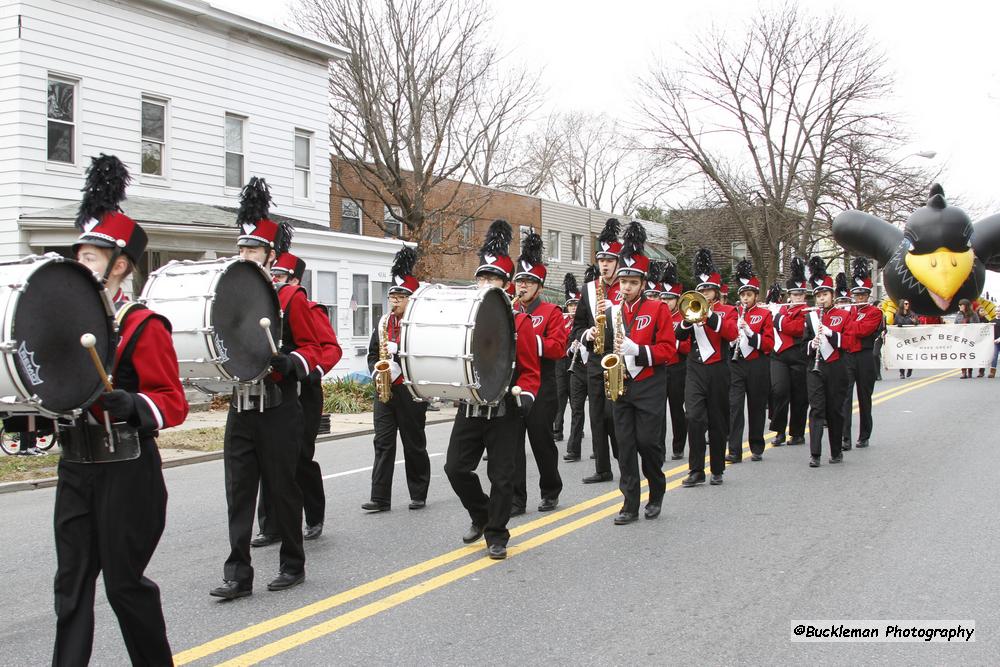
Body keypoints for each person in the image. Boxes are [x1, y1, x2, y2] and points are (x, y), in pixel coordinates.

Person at [53, 155, 188, 665]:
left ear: (121, 266)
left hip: (128, 472)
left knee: (124, 586)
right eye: (79, 255)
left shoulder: (144, 325)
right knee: (70, 587)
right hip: (76, 467)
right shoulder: (63, 327)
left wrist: (132, 402)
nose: (80, 265)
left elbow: (172, 402)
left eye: (90, 258)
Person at [211, 178, 326, 600]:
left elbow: (325, 348)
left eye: (253, 250)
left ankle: (293, 563)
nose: (245, 256)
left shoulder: (292, 299)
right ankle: (238, 574)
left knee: (282, 488)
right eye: (240, 249)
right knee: (238, 493)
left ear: (270, 254)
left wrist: (294, 361)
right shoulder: (229, 298)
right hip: (241, 408)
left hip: (279, 407)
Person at [444, 220, 540, 560]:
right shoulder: (461, 320)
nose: (485, 283)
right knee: (455, 468)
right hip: (470, 405)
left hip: (504, 408)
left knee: (502, 476)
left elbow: (530, 371)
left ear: (506, 285)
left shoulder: (520, 322)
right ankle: (481, 515)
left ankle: (497, 534)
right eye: (481, 277)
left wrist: (526, 394)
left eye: (493, 279)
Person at [253, 251, 342, 544]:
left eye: (280, 276)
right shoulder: (260, 305)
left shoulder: (309, 307)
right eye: (273, 274)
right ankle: (271, 525)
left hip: (304, 391)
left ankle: (314, 516)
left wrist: (312, 369)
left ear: (294, 280)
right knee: (269, 458)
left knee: (300, 457)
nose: (274, 280)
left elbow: (330, 347)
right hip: (271, 390)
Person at [597, 222, 676, 524]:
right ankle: (630, 502)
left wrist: (637, 351)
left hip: (649, 384)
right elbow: (605, 347)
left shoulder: (658, 310)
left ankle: (656, 492)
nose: (626, 287)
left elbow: (668, 351)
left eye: (632, 282)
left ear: (643, 283)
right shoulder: (613, 310)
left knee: (647, 443)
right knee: (625, 447)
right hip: (621, 384)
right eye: (622, 282)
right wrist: (596, 338)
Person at [363, 246, 430, 512]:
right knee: (382, 443)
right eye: (393, 296)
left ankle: (418, 493)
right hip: (385, 391)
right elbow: (371, 355)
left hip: (411, 391)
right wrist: (378, 372)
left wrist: (400, 358)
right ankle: (380, 497)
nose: (395, 301)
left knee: (413, 443)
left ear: (411, 299)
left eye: (401, 296)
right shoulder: (383, 323)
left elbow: (425, 355)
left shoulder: (420, 323)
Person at [511, 230, 566, 515]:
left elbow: (558, 348)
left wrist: (527, 339)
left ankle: (550, 490)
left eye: (529, 281)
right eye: (520, 280)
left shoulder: (551, 312)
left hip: (543, 385)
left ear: (539, 286)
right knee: (513, 445)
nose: (523, 286)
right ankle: (517, 499)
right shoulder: (506, 309)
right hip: (514, 383)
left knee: (541, 441)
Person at [674, 249, 738, 487]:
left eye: (707, 290)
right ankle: (696, 469)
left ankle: (718, 468)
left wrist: (709, 315)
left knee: (717, 420)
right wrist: (688, 319)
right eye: (700, 290)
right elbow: (678, 335)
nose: (703, 294)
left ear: (716, 293)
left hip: (719, 370)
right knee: (694, 417)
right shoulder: (690, 310)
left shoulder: (728, 311)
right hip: (695, 369)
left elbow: (731, 334)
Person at [571, 218, 625, 484]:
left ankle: (623, 459)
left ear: (618, 262)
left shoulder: (628, 286)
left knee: (613, 414)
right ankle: (602, 468)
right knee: (596, 416)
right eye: (601, 259)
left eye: (610, 260)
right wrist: (586, 333)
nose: (604, 264)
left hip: (621, 359)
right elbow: (576, 326)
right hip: (595, 356)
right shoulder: (589, 289)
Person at [726, 259, 774, 463]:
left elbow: (769, 344)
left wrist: (749, 332)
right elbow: (724, 336)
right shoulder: (733, 313)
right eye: (743, 295)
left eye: (749, 295)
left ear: (756, 296)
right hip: (736, 364)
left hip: (757, 364)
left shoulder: (765, 314)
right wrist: (732, 339)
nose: (745, 299)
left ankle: (756, 445)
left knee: (756, 406)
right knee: (735, 406)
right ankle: (734, 450)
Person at [803, 257, 848, 467]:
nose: (821, 299)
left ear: (832, 295)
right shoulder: (810, 318)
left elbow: (849, 342)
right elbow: (802, 346)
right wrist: (812, 344)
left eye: (825, 295)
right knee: (817, 409)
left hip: (837, 366)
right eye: (818, 296)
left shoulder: (843, 315)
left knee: (834, 410)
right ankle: (815, 454)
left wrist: (830, 333)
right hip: (815, 368)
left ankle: (836, 450)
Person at [840, 259, 883, 451]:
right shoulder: (846, 312)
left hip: (865, 357)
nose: (859, 299)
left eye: (862, 295)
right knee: (845, 398)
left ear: (867, 294)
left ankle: (864, 435)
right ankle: (845, 437)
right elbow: (843, 331)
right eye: (856, 296)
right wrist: (850, 323)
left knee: (864, 397)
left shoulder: (875, 312)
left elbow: (863, 331)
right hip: (848, 356)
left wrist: (850, 324)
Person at [769, 258, 809, 447]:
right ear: (789, 295)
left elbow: (798, 329)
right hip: (779, 356)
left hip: (799, 356)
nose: (798, 298)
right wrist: (775, 315)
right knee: (779, 391)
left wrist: (777, 320)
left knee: (800, 395)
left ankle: (797, 432)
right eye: (795, 294)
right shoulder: (781, 309)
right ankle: (779, 431)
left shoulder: (810, 311)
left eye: (801, 294)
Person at [660, 262, 690, 461]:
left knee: (677, 409)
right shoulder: (659, 315)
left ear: (677, 299)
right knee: (658, 411)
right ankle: (658, 447)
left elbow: (688, 346)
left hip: (679, 367)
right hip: (661, 366)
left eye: (670, 298)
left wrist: (673, 342)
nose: (667, 301)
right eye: (664, 297)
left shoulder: (685, 315)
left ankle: (678, 446)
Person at [563, 270, 589, 462]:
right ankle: (574, 449)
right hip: (578, 369)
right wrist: (572, 349)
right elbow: (566, 350)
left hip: (596, 367)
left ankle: (599, 449)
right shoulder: (576, 325)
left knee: (599, 414)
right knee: (576, 409)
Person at [553, 273, 579, 448]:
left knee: (575, 398)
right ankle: (558, 428)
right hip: (560, 361)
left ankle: (577, 431)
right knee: (560, 395)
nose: (573, 308)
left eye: (576, 304)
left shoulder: (582, 322)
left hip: (576, 362)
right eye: (570, 305)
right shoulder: (561, 321)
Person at [954, 299, 980, 378]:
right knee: (963, 355)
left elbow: (977, 325)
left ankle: (970, 371)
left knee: (969, 355)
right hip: (961, 338)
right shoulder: (958, 314)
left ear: (965, 306)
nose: (959, 306)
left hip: (971, 337)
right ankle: (963, 372)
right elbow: (955, 324)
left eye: (961, 305)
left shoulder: (973, 314)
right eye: (959, 305)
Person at [894, 299, 919, 378]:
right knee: (901, 355)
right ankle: (901, 372)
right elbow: (894, 323)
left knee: (909, 354)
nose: (907, 305)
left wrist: (915, 322)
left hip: (910, 338)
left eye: (908, 303)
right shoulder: (897, 314)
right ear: (902, 305)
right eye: (905, 304)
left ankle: (910, 368)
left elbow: (917, 323)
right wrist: (898, 324)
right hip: (901, 338)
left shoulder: (912, 314)